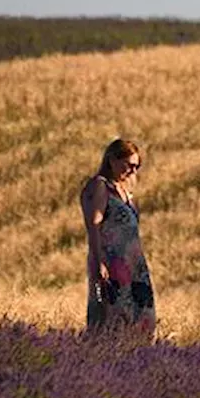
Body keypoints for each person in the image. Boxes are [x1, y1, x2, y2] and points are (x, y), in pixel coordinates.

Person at [81, 138, 156, 339]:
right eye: (129, 165)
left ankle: (136, 357)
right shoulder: (101, 186)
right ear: (113, 160)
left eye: (137, 166)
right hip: (112, 262)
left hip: (133, 264)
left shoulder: (126, 192)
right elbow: (94, 225)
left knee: (142, 314)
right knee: (111, 316)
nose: (133, 171)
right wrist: (99, 261)